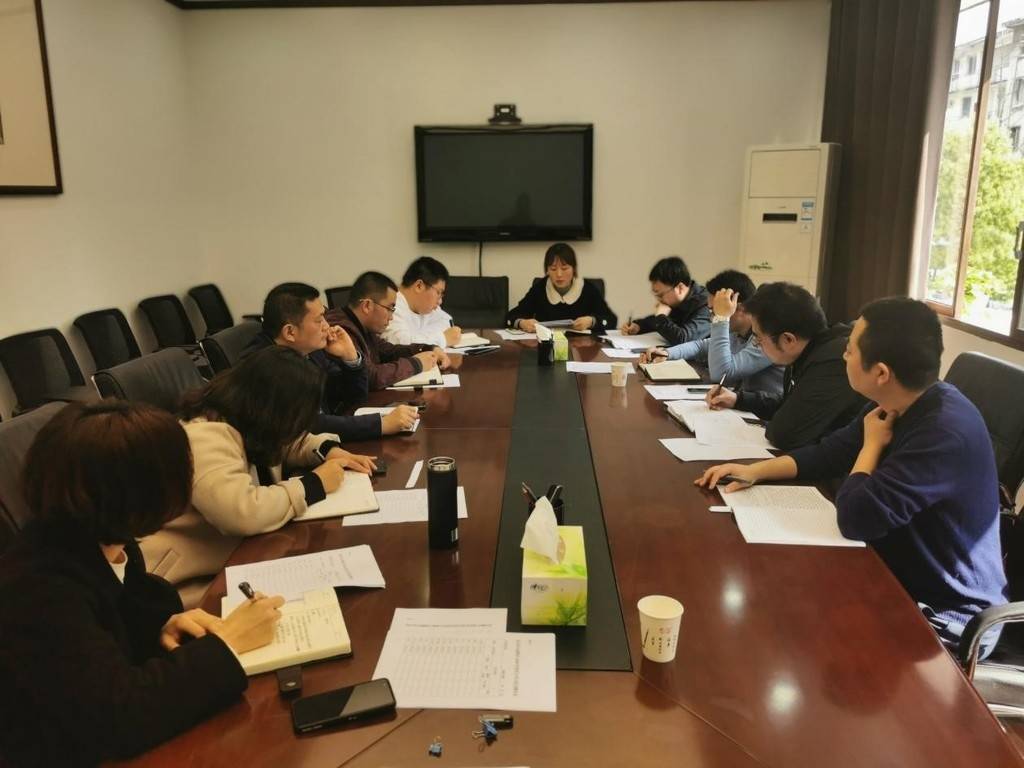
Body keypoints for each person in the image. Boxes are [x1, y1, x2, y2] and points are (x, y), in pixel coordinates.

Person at [697, 297, 1008, 658]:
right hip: (891, 570)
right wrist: (756, 471)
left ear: (881, 373)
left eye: (850, 350)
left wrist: (870, 447)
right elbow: (830, 452)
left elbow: (857, 518)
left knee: (790, 635)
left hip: (945, 615)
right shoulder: (896, 400)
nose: (843, 356)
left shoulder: (943, 432)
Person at [0, 401, 285, 765]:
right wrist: (229, 642)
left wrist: (161, 628)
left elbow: (110, 631)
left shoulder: (102, 539)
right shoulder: (38, 590)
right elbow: (118, 718)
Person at [140, 346, 376, 607]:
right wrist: (314, 484)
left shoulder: (244, 417)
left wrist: (327, 449)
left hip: (235, 557)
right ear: (272, 409)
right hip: (185, 585)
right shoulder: (204, 435)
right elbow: (242, 513)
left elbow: (287, 442)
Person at [244, 282, 418, 440]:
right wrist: (381, 424)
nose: (327, 326)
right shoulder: (266, 367)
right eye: (319, 320)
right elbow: (313, 425)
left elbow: (352, 397)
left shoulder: (308, 350)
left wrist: (351, 359)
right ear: (290, 332)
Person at [706, 281, 866, 450]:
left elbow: (784, 434)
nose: (757, 344)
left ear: (788, 340)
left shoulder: (833, 362)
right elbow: (791, 403)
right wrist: (738, 399)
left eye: (758, 338)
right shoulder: (808, 350)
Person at [640, 269, 783, 397]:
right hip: (740, 402)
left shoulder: (766, 338)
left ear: (739, 308)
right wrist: (667, 353)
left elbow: (721, 373)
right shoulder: (739, 332)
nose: (711, 318)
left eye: (714, 310)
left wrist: (721, 318)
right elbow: (700, 346)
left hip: (762, 414)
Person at [328, 271, 451, 390]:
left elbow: (389, 351)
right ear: (367, 306)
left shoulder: (362, 326)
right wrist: (417, 363)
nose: (391, 317)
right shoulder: (341, 329)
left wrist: (427, 348)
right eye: (390, 308)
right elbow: (370, 376)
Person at [506, 243, 617, 332]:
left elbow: (611, 320)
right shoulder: (540, 288)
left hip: (582, 347)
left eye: (564, 268)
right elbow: (510, 317)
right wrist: (522, 323)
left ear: (574, 269)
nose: (559, 274)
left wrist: (591, 321)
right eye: (553, 269)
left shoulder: (588, 289)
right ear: (547, 270)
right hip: (547, 346)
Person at [621, 256, 710, 344]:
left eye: (660, 295)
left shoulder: (707, 303)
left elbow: (683, 339)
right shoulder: (677, 301)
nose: (659, 300)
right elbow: (655, 321)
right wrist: (638, 326)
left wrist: (661, 317)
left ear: (680, 288)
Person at [381, 256, 462, 348]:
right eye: (438, 293)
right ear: (419, 286)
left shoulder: (426, 308)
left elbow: (447, 322)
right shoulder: (390, 305)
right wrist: (442, 339)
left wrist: (418, 336)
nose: (440, 301)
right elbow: (400, 342)